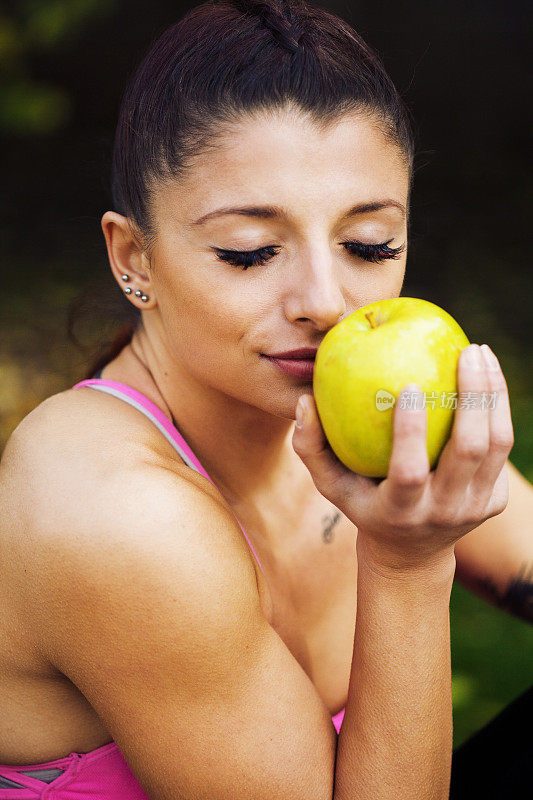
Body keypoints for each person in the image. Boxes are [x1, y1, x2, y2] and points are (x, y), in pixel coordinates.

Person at [0, 0, 523, 798]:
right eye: (249, 254)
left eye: (368, 245)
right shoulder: (113, 513)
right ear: (132, 256)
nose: (325, 300)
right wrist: (407, 568)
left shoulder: (352, 412)